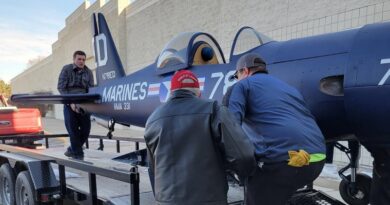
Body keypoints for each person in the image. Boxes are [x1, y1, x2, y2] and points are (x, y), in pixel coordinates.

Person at [144, 70, 257, 205]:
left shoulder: (153, 119)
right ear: (198, 92)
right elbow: (243, 156)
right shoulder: (214, 110)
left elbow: (153, 169)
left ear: (171, 91)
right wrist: (244, 177)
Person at [228, 53, 326, 205]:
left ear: (245, 71)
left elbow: (231, 126)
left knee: (257, 192)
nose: (237, 79)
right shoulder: (288, 88)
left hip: (283, 162)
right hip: (316, 160)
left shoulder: (242, 85)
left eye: (236, 75)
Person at [57, 50, 94, 159]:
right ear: (74, 59)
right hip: (69, 103)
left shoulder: (89, 72)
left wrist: (89, 104)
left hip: (83, 104)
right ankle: (78, 155)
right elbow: (61, 87)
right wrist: (71, 102)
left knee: (86, 131)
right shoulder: (66, 69)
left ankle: (71, 150)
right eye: (79, 59)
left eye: (83, 59)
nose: (81, 61)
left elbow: (90, 89)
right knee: (73, 131)